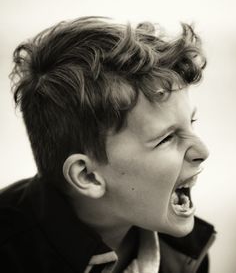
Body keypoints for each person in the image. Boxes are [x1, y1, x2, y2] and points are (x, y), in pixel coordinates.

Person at [0, 17, 216, 273]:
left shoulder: (184, 256)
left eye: (191, 122)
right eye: (166, 138)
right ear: (88, 176)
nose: (202, 152)